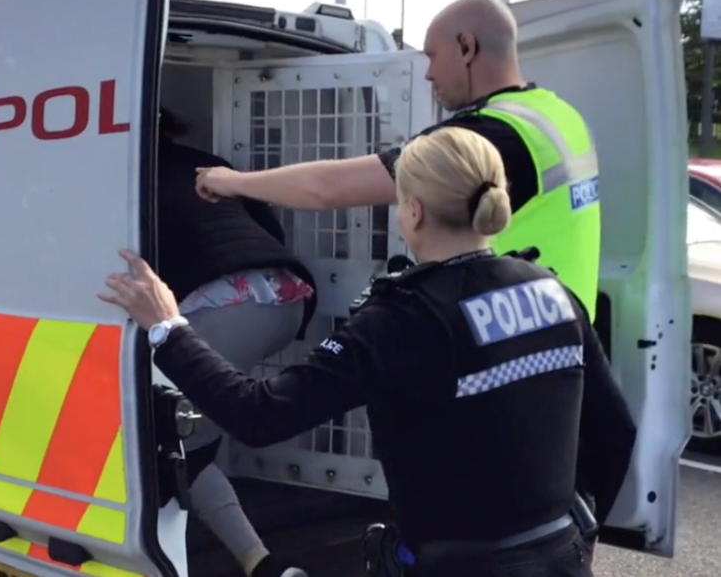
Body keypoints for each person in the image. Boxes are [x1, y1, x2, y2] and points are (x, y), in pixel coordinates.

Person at [100, 127, 636, 577]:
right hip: (561, 560)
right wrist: (576, 538)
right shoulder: (552, 291)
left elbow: (259, 415)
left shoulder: (403, 317)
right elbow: (614, 432)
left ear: (413, 211)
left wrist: (168, 328)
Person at [194, 0, 601, 321]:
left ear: (467, 47)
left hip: (515, 334)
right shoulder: (557, 114)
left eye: (432, 56)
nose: (427, 73)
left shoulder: (488, 137)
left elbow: (329, 188)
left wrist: (231, 181)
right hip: (559, 328)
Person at [152, 107, 317, 577]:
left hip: (227, 306)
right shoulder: (204, 162)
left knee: (166, 439)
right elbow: (267, 226)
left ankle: (255, 565)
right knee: (193, 434)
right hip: (285, 295)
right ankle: (260, 565)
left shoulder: (129, 177)